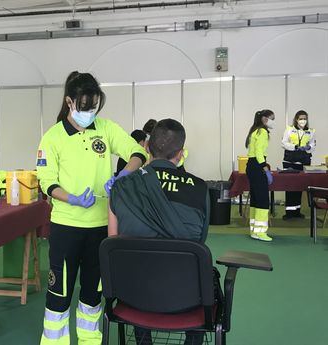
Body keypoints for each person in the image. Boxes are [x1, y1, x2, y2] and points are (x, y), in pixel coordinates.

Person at [37, 71, 147, 345]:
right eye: (85, 107)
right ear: (69, 102)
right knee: (59, 294)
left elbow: (138, 152)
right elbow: (46, 181)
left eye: (95, 106)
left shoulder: (106, 128)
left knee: (92, 293)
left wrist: (124, 175)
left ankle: (90, 340)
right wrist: (71, 198)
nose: (90, 112)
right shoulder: (52, 137)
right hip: (66, 228)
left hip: (100, 228)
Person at [108, 119, 210, 345]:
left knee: (133, 265)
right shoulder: (200, 189)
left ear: (146, 148)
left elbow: (112, 245)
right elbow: (198, 243)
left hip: (133, 294)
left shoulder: (121, 187)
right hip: (187, 297)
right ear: (181, 153)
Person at [245, 109, 275, 242]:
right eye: (270, 118)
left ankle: (254, 230)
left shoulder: (254, 130)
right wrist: (265, 168)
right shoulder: (262, 132)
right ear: (264, 119)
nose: (272, 121)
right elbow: (258, 152)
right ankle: (261, 232)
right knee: (262, 199)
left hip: (251, 166)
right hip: (257, 165)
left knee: (256, 199)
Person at [281, 110, 316, 220]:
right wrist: (295, 147)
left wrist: (309, 147)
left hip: (303, 162)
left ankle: (297, 212)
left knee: (299, 187)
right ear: (296, 119)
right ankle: (289, 213)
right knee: (290, 187)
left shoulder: (310, 131)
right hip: (290, 162)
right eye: (301, 118)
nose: (303, 120)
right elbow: (284, 143)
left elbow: (312, 144)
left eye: (305, 118)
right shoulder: (289, 129)